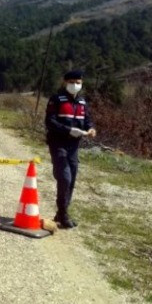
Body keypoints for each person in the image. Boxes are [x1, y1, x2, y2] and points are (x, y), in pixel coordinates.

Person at [45, 70, 97, 229]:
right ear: (65, 82)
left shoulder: (82, 102)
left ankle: (62, 213)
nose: (75, 85)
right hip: (58, 143)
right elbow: (50, 122)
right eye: (72, 81)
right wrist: (68, 130)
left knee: (72, 178)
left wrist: (91, 129)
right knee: (65, 177)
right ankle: (63, 213)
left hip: (74, 146)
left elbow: (87, 121)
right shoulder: (56, 100)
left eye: (78, 82)